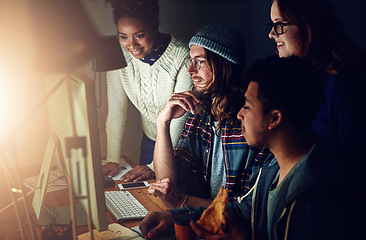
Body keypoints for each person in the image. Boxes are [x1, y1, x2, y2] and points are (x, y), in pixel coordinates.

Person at [140, 55, 360, 240]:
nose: (239, 114)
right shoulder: (273, 167)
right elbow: (241, 212)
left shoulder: (314, 195)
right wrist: (175, 216)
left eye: (247, 105)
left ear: (274, 119)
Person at [148, 23, 265, 209]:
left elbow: (249, 210)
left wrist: (184, 201)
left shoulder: (250, 123)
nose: (190, 70)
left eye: (199, 61)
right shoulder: (199, 114)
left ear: (223, 64)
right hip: (201, 222)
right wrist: (163, 122)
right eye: (190, 60)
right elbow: (167, 183)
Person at [102, 0, 192, 182]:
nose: (132, 45)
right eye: (123, 36)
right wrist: (113, 158)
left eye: (139, 35)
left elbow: (179, 118)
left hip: (184, 143)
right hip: (150, 139)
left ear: (154, 26)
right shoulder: (118, 56)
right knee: (145, 198)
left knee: (174, 203)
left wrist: (154, 167)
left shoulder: (182, 56)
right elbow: (116, 109)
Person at [268, 0, 366, 167]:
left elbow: (354, 163)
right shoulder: (292, 83)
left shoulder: (341, 84)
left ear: (307, 25)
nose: (271, 34)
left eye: (279, 24)